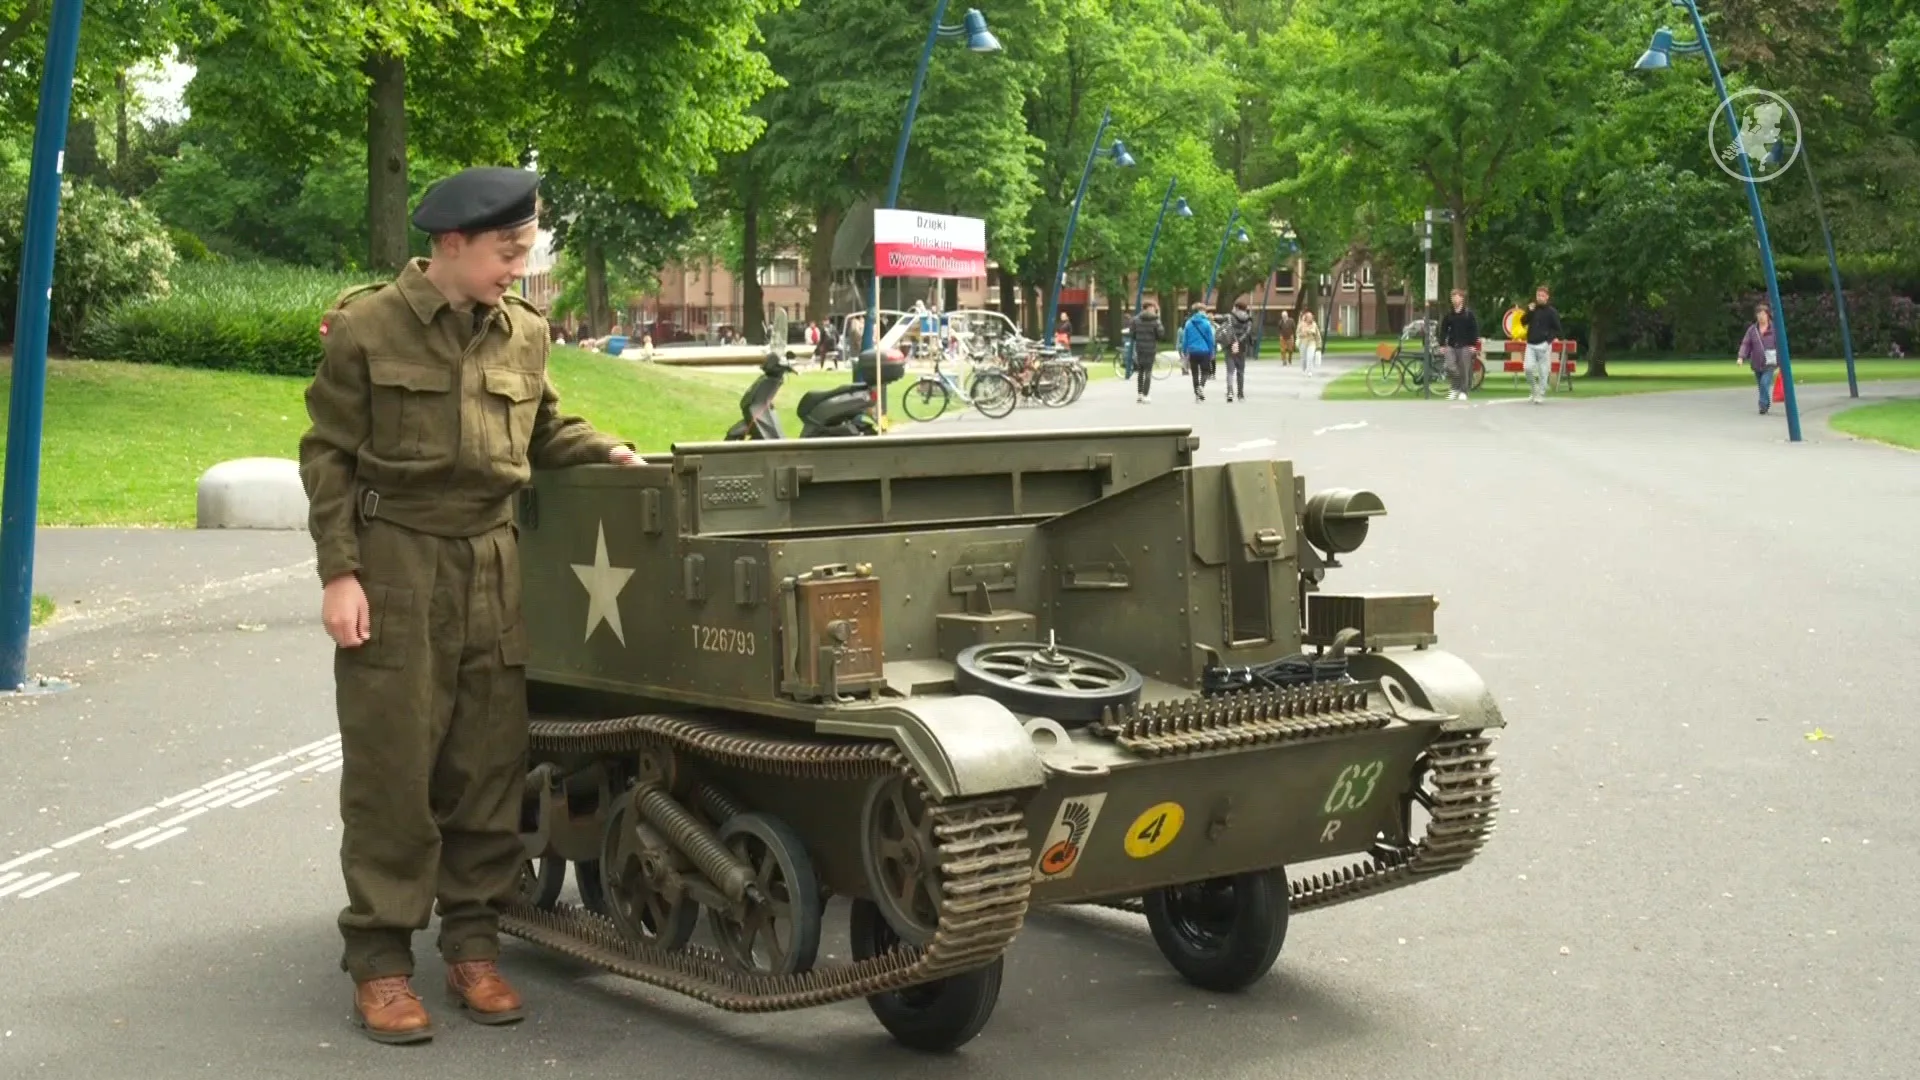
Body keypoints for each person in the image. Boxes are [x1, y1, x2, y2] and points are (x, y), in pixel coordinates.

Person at [298, 165, 643, 1045]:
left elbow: (543, 431)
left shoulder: (523, 331)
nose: (518, 270)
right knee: (393, 772)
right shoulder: (368, 327)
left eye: (525, 251)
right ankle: (379, 963)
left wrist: (608, 451)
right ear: (451, 244)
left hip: (493, 561)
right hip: (396, 559)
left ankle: (474, 949)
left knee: (487, 767)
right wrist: (341, 572)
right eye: (506, 251)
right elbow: (328, 454)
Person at [1523, 284, 1563, 404]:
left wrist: (1548, 341)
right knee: (1527, 368)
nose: (1539, 297)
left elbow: (1557, 329)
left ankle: (1541, 392)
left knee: (1543, 370)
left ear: (1547, 297)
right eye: (1538, 295)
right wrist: (1529, 311)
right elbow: (1523, 321)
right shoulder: (1533, 309)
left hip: (1544, 345)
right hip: (1530, 343)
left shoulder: (1551, 312)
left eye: (1542, 295)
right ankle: (1534, 389)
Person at [1737, 302, 1779, 415]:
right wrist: (1741, 357)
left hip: (1770, 362)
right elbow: (1746, 344)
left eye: (1763, 314)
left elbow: (1780, 344)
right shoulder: (1752, 330)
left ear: (1767, 315)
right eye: (1759, 314)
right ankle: (1765, 403)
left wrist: (1781, 360)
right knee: (1761, 385)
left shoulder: (1775, 329)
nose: (1761, 317)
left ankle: (1763, 405)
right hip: (1756, 362)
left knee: (1765, 383)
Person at [1437, 289, 1480, 401]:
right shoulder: (1449, 315)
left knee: (1464, 369)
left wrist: (1473, 344)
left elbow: (1474, 330)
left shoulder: (1468, 314)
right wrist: (1442, 345)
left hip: (1465, 345)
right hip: (1451, 345)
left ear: (1462, 299)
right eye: (1453, 297)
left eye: (1457, 297)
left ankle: (1463, 391)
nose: (1454, 299)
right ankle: (1455, 387)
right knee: (1449, 366)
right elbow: (1443, 330)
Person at [1129, 302, 1167, 404]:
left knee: (1140, 371)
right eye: (1154, 308)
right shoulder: (1155, 320)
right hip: (1150, 349)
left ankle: (1140, 394)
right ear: (1150, 308)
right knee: (1148, 372)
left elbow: (1132, 334)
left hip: (1140, 348)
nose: (1155, 310)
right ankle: (1146, 395)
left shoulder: (1136, 320)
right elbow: (1161, 335)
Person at [1180, 301, 1217, 402]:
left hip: (1193, 351)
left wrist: (1184, 350)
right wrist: (1212, 351)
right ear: (1201, 311)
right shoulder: (1206, 323)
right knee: (1205, 371)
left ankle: (1197, 394)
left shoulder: (1188, 323)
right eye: (1204, 310)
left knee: (1195, 373)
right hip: (1204, 350)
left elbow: (1185, 339)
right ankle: (1201, 386)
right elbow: (1210, 339)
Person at [1222, 299, 1256, 402]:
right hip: (1241, 347)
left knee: (1230, 371)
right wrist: (1240, 340)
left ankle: (1230, 393)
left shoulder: (1229, 317)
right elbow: (1248, 332)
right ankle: (1240, 395)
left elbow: (1224, 329)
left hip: (1230, 345)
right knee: (1240, 371)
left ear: (1236, 307)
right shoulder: (1248, 319)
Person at [1296, 309, 1322, 376]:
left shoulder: (1314, 324)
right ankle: (1304, 367)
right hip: (1303, 342)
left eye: (1311, 317)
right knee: (1303, 358)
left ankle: (1310, 371)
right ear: (1306, 317)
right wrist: (1302, 334)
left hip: (1311, 342)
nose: (1310, 318)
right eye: (1308, 317)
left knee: (1310, 357)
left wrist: (1319, 344)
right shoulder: (1301, 324)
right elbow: (1298, 333)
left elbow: (1317, 335)